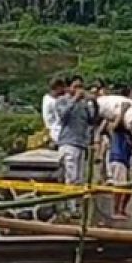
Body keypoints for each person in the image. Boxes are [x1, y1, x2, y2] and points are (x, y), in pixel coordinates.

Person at [53, 77, 95, 215]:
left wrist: (92, 102)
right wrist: (74, 99)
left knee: (79, 178)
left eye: (81, 86)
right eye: (75, 86)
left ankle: (76, 207)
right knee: (70, 176)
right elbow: (63, 116)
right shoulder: (62, 101)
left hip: (81, 143)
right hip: (68, 142)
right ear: (69, 87)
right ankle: (69, 207)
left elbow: (91, 119)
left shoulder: (84, 104)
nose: (78, 89)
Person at [41, 77, 67, 146]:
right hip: (57, 133)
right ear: (57, 87)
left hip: (52, 131)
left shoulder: (46, 98)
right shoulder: (53, 102)